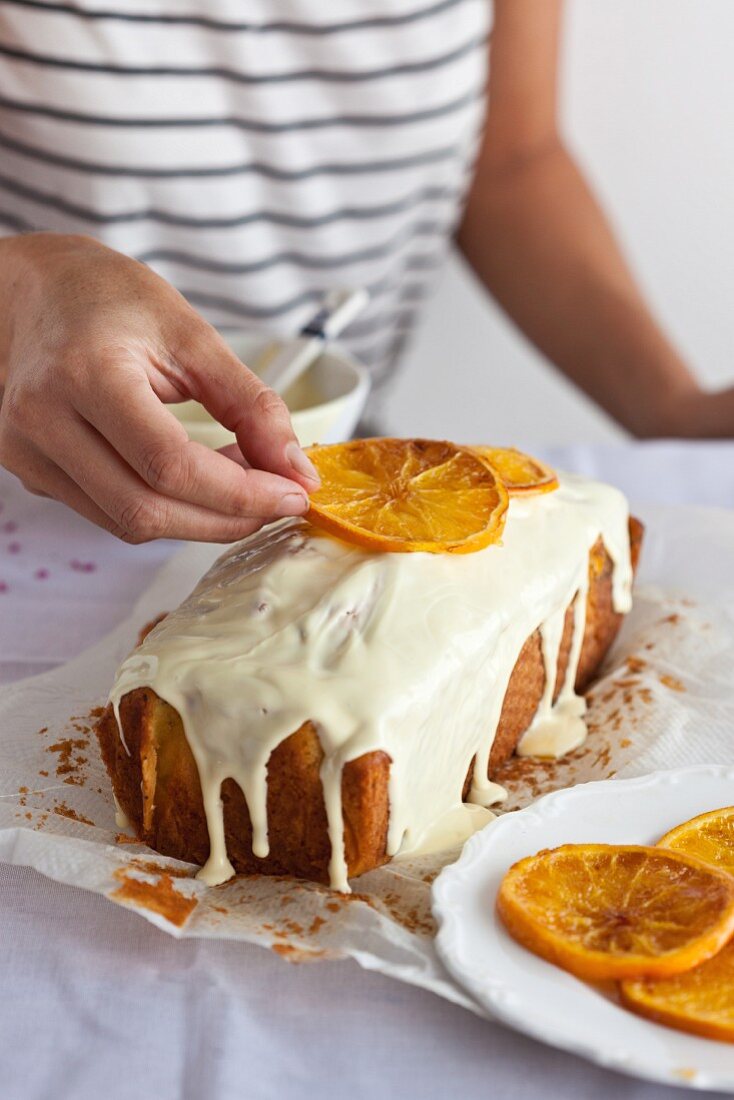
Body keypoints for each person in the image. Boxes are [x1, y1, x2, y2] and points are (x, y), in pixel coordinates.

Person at [0, 0, 732, 544]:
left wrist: (670, 410)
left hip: (335, 498)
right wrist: (22, 288)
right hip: (24, 520)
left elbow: (511, 162)